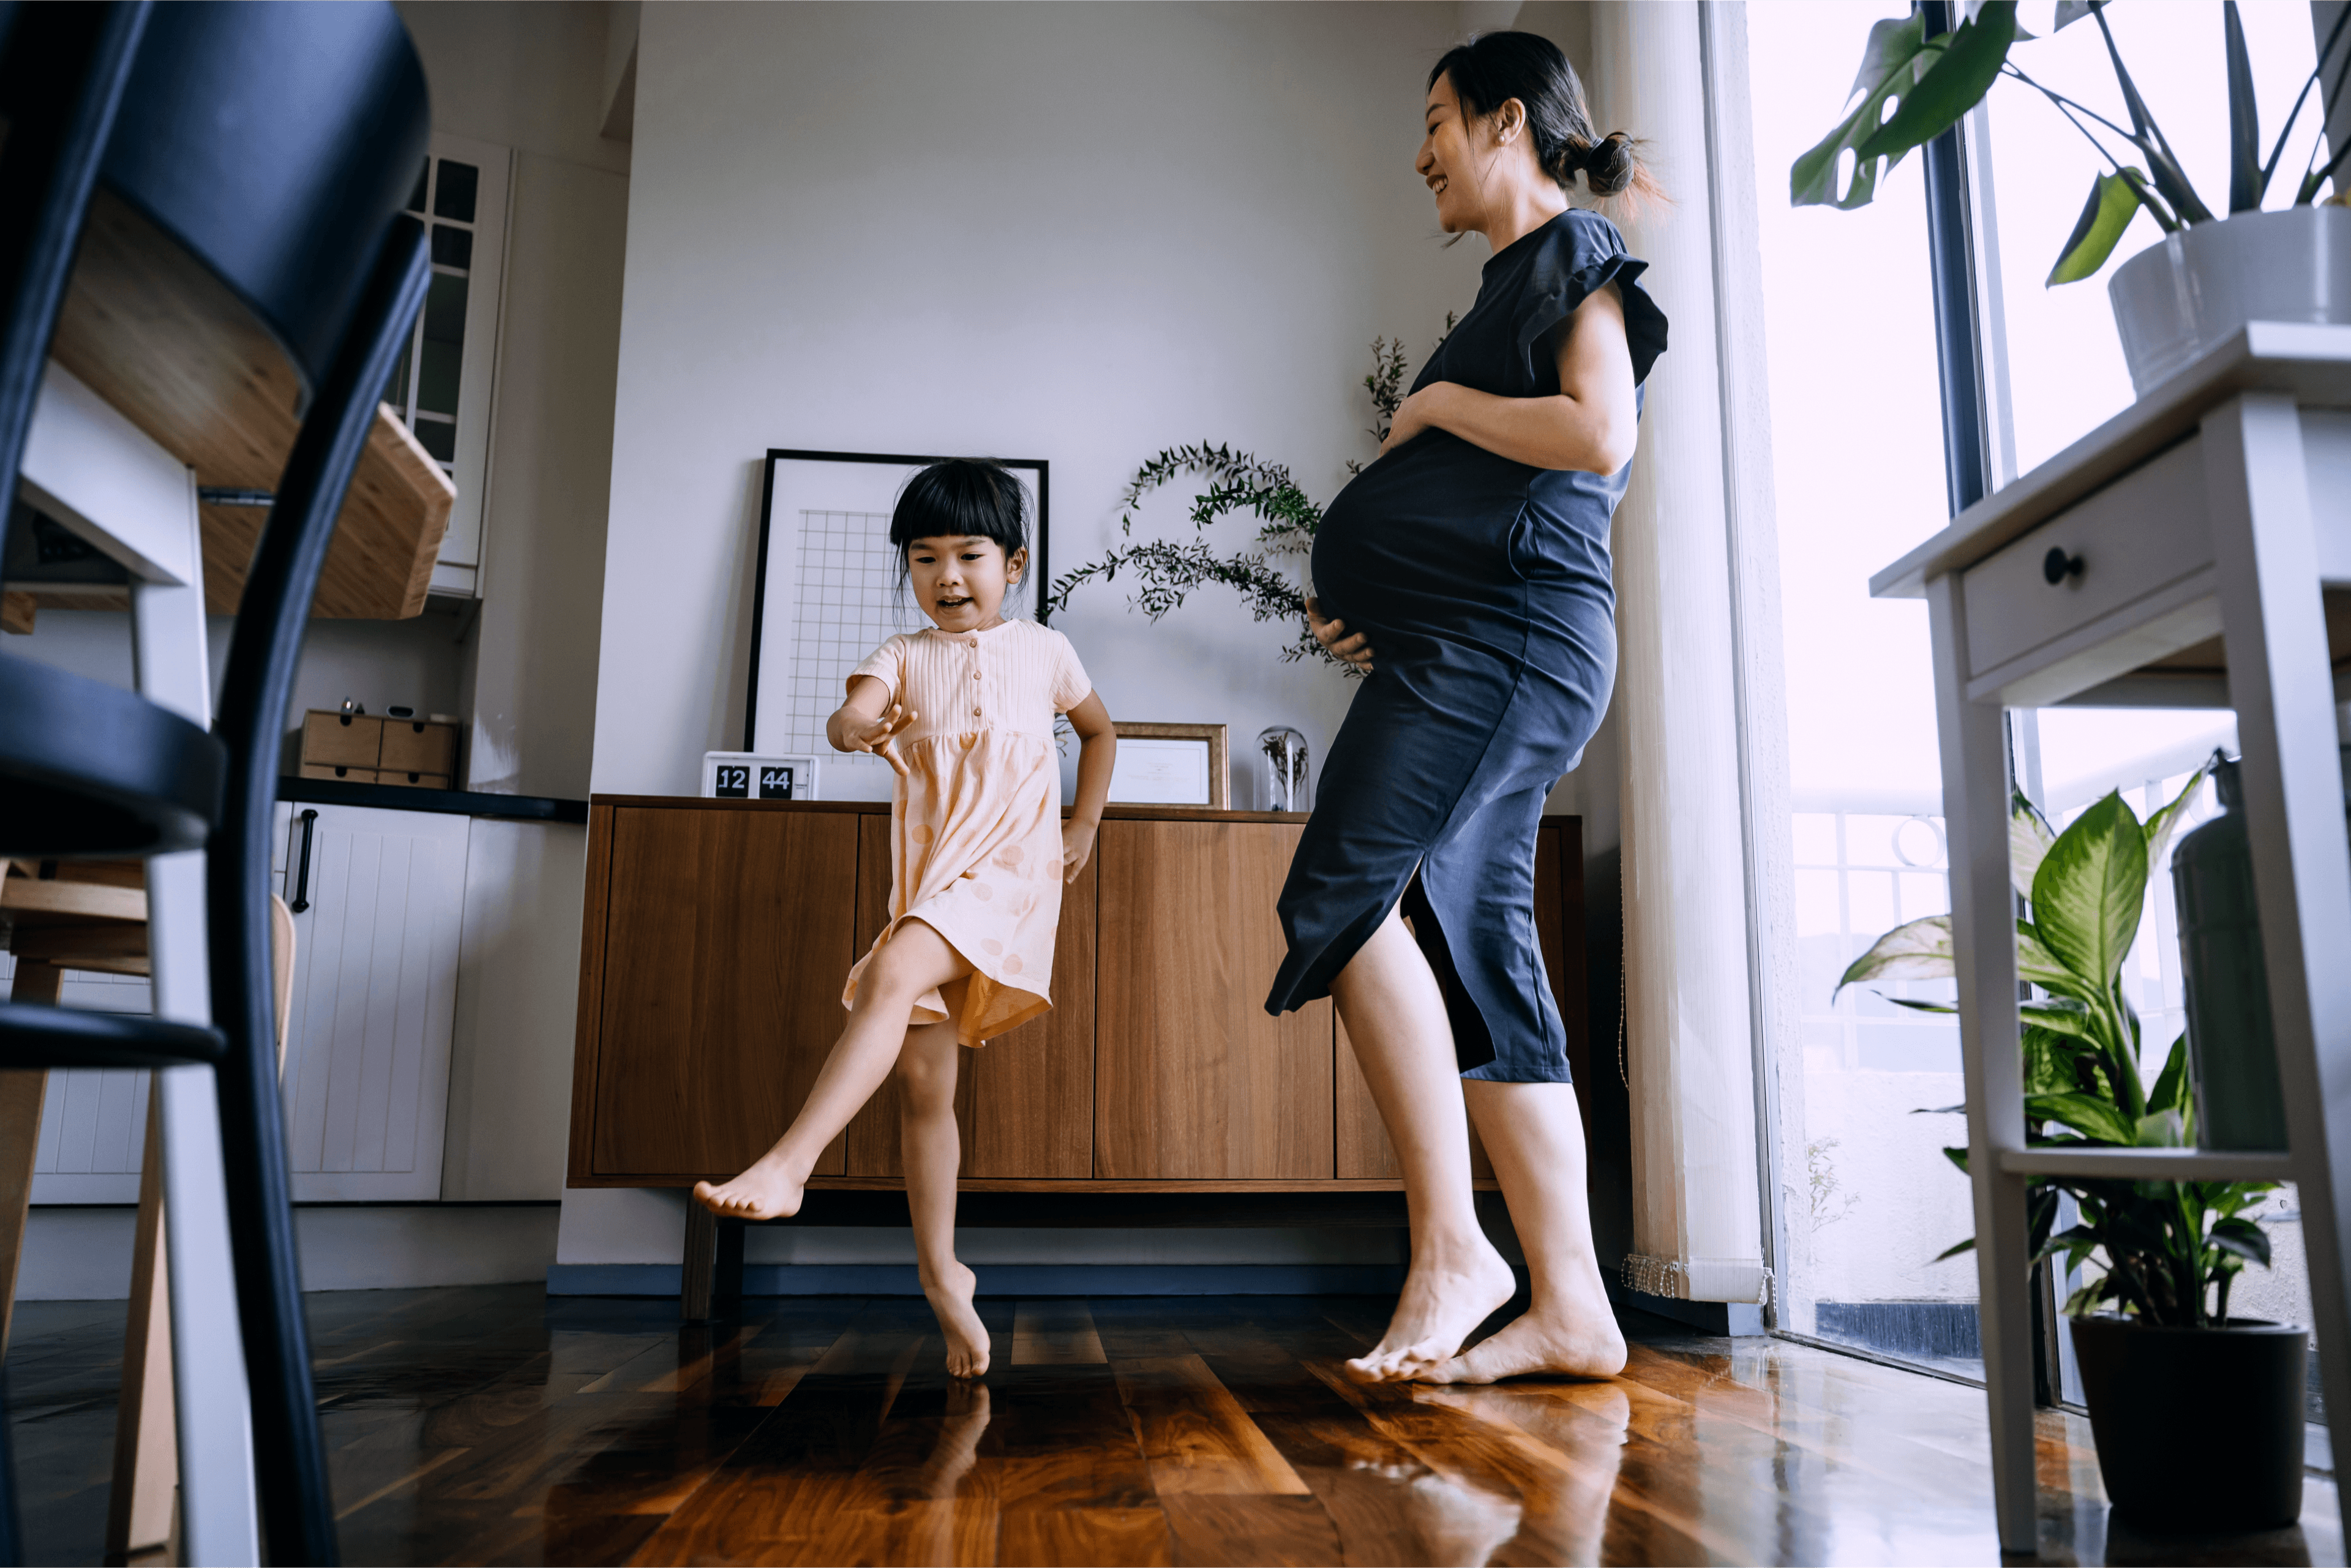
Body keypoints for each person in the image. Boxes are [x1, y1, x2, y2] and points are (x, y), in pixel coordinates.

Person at [1265, 31, 1668, 1384]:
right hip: (1468, 639)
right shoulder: (1516, 275)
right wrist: (1374, 591)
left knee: (1343, 887)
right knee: (1476, 932)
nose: (1422, 148)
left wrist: (1436, 404)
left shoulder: (1570, 252)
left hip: (1511, 643)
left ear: (1509, 121)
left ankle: (1453, 1247)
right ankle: (1573, 1305)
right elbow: (1487, 498)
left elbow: (1598, 434)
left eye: (1436, 118)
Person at [696, 459, 1118, 1378]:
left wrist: (1083, 823)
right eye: (924, 559)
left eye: (969, 555)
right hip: (928, 882)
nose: (948, 577)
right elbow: (851, 719)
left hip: (1011, 871)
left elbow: (1099, 732)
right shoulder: (900, 656)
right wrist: (855, 727)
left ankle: (787, 1166)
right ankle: (941, 1274)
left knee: (889, 977)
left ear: (1015, 561)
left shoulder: (1046, 652)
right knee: (924, 1087)